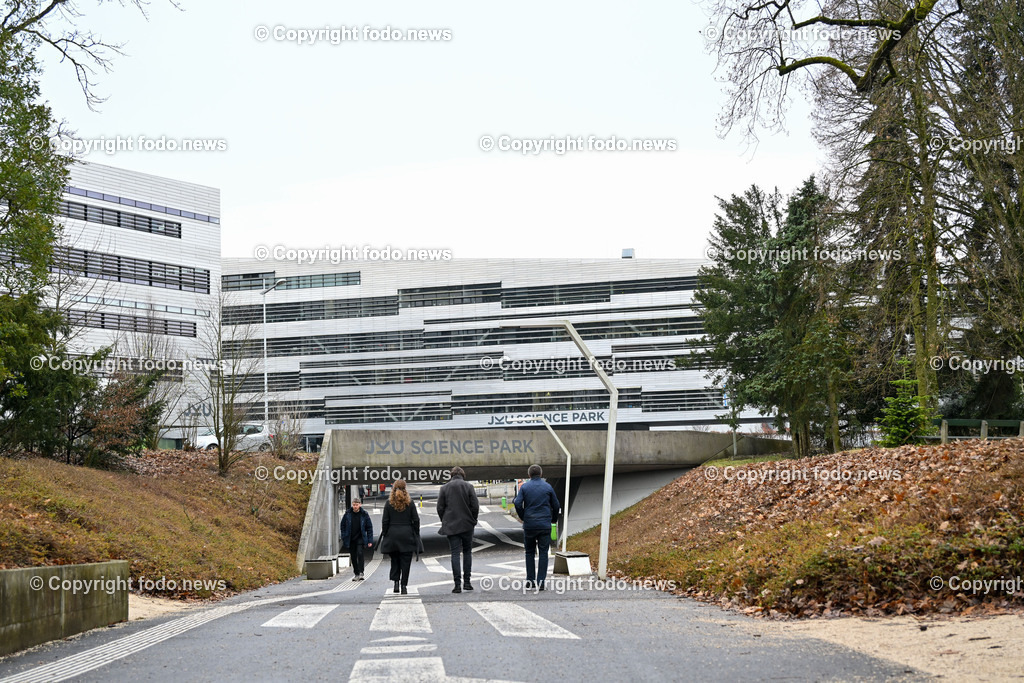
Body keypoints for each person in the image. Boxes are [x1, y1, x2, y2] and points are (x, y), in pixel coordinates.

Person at [513, 464, 560, 590]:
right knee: (543, 552)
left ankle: (530, 580)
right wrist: (553, 519)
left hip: (529, 525)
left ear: (529, 475)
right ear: (541, 474)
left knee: (529, 552)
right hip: (544, 524)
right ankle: (541, 582)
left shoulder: (525, 487)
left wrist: (523, 517)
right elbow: (556, 505)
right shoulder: (548, 487)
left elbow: (517, 503)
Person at [436, 466, 479, 593]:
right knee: (467, 552)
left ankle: (457, 585)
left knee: (455, 553)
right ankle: (467, 582)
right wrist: (473, 520)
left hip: (451, 525)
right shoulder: (469, 487)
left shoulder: (444, 488)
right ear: (463, 475)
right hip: (467, 525)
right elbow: (475, 506)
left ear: (451, 475)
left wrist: (445, 520)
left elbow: (439, 507)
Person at [379, 479, 420, 594]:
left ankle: (396, 583)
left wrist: (386, 534)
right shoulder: (410, 503)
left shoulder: (389, 503)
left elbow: (385, 521)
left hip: (393, 535)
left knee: (395, 560)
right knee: (406, 562)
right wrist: (415, 533)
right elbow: (416, 520)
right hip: (407, 535)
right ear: (405, 489)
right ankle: (404, 586)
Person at [339, 497, 373, 581]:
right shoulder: (348, 514)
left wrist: (370, 540)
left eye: (356, 505)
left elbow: (369, 527)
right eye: (354, 505)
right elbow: (342, 525)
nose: (355, 506)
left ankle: (361, 572)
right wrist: (344, 536)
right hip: (351, 538)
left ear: (360, 505)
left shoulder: (364, 514)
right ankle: (356, 573)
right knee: (353, 557)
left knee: (360, 553)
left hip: (360, 538)